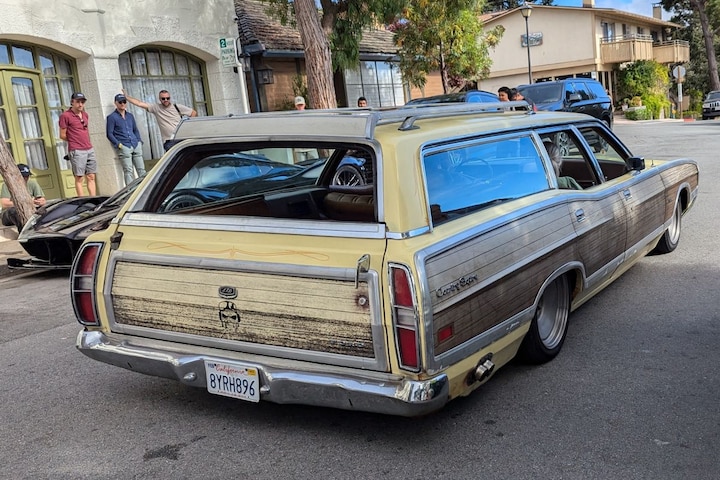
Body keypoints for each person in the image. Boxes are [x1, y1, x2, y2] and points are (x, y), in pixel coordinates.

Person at [122, 89, 197, 151]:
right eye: (163, 98)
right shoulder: (156, 107)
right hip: (169, 141)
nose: (166, 100)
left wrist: (188, 127)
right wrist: (127, 97)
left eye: (168, 98)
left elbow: (193, 112)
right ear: (160, 99)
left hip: (181, 138)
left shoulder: (177, 107)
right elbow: (139, 103)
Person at [59, 92, 97, 196]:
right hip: (77, 149)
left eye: (82, 102)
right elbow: (62, 135)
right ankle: (82, 200)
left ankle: (93, 199)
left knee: (91, 176)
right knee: (79, 177)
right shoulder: (65, 116)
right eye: (78, 102)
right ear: (72, 102)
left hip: (89, 148)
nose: (80, 104)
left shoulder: (85, 115)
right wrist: (74, 140)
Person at [106, 93, 146, 186]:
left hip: (135, 144)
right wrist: (119, 145)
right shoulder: (112, 117)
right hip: (124, 146)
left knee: (141, 170)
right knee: (128, 171)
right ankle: (130, 193)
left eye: (124, 102)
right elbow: (109, 134)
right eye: (120, 102)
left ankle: (144, 190)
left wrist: (139, 141)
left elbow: (135, 130)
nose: (123, 104)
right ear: (116, 103)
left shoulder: (130, 116)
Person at [1, 164, 46, 230]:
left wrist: (40, 202)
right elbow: (4, 203)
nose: (26, 178)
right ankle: (23, 232)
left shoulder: (32, 183)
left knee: (45, 209)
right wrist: (25, 202)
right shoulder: (7, 185)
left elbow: (42, 200)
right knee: (15, 212)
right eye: (23, 176)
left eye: (27, 176)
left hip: (29, 210)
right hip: (9, 215)